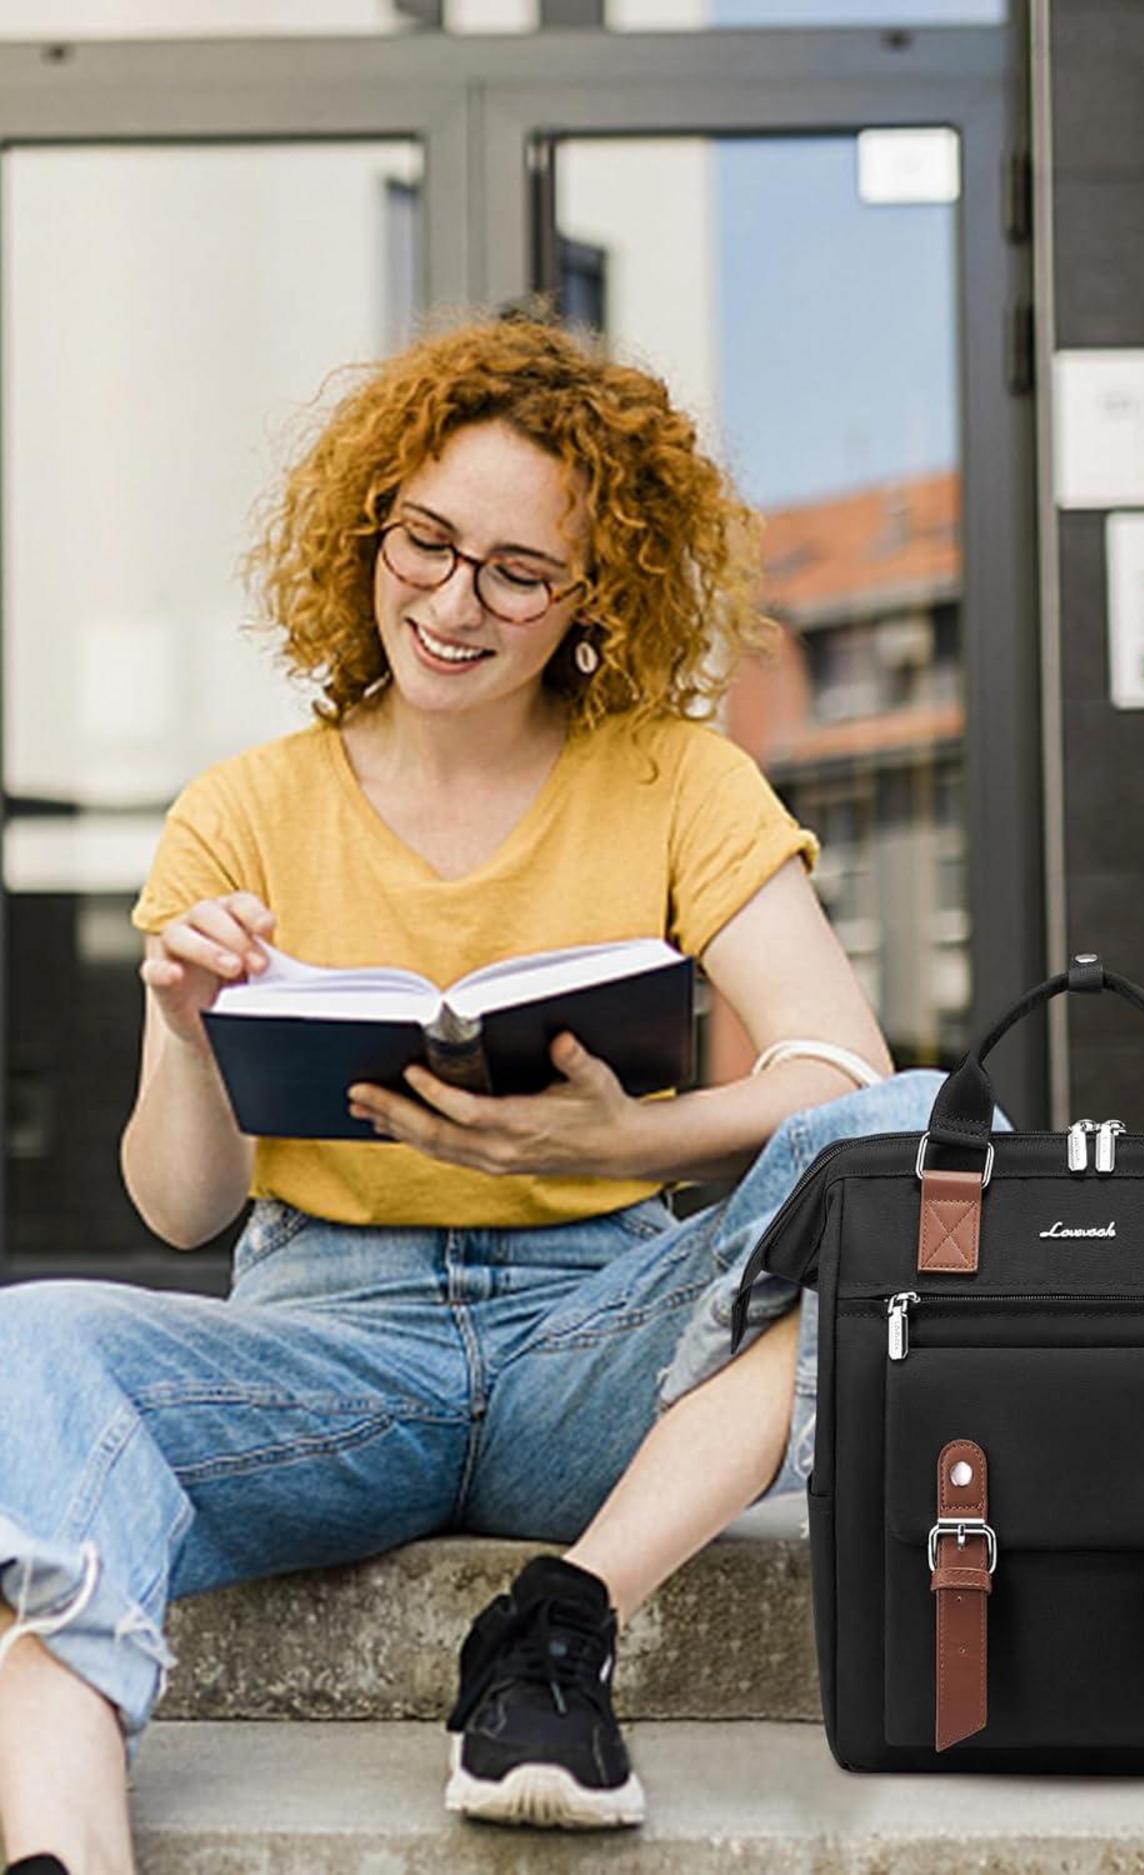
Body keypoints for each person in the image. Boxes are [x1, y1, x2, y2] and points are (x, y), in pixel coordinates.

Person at [0, 304, 1004, 1871]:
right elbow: (182, 1208)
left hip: (595, 1343)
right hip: (324, 1359)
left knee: (916, 1131)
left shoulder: (675, 776)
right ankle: (63, 1843)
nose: (455, 602)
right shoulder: (241, 810)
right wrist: (187, 1031)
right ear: (370, 530)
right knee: (30, 1341)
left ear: (593, 595)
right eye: (427, 542)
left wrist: (621, 1138)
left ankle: (559, 1624)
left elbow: (838, 1067)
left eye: (520, 571)